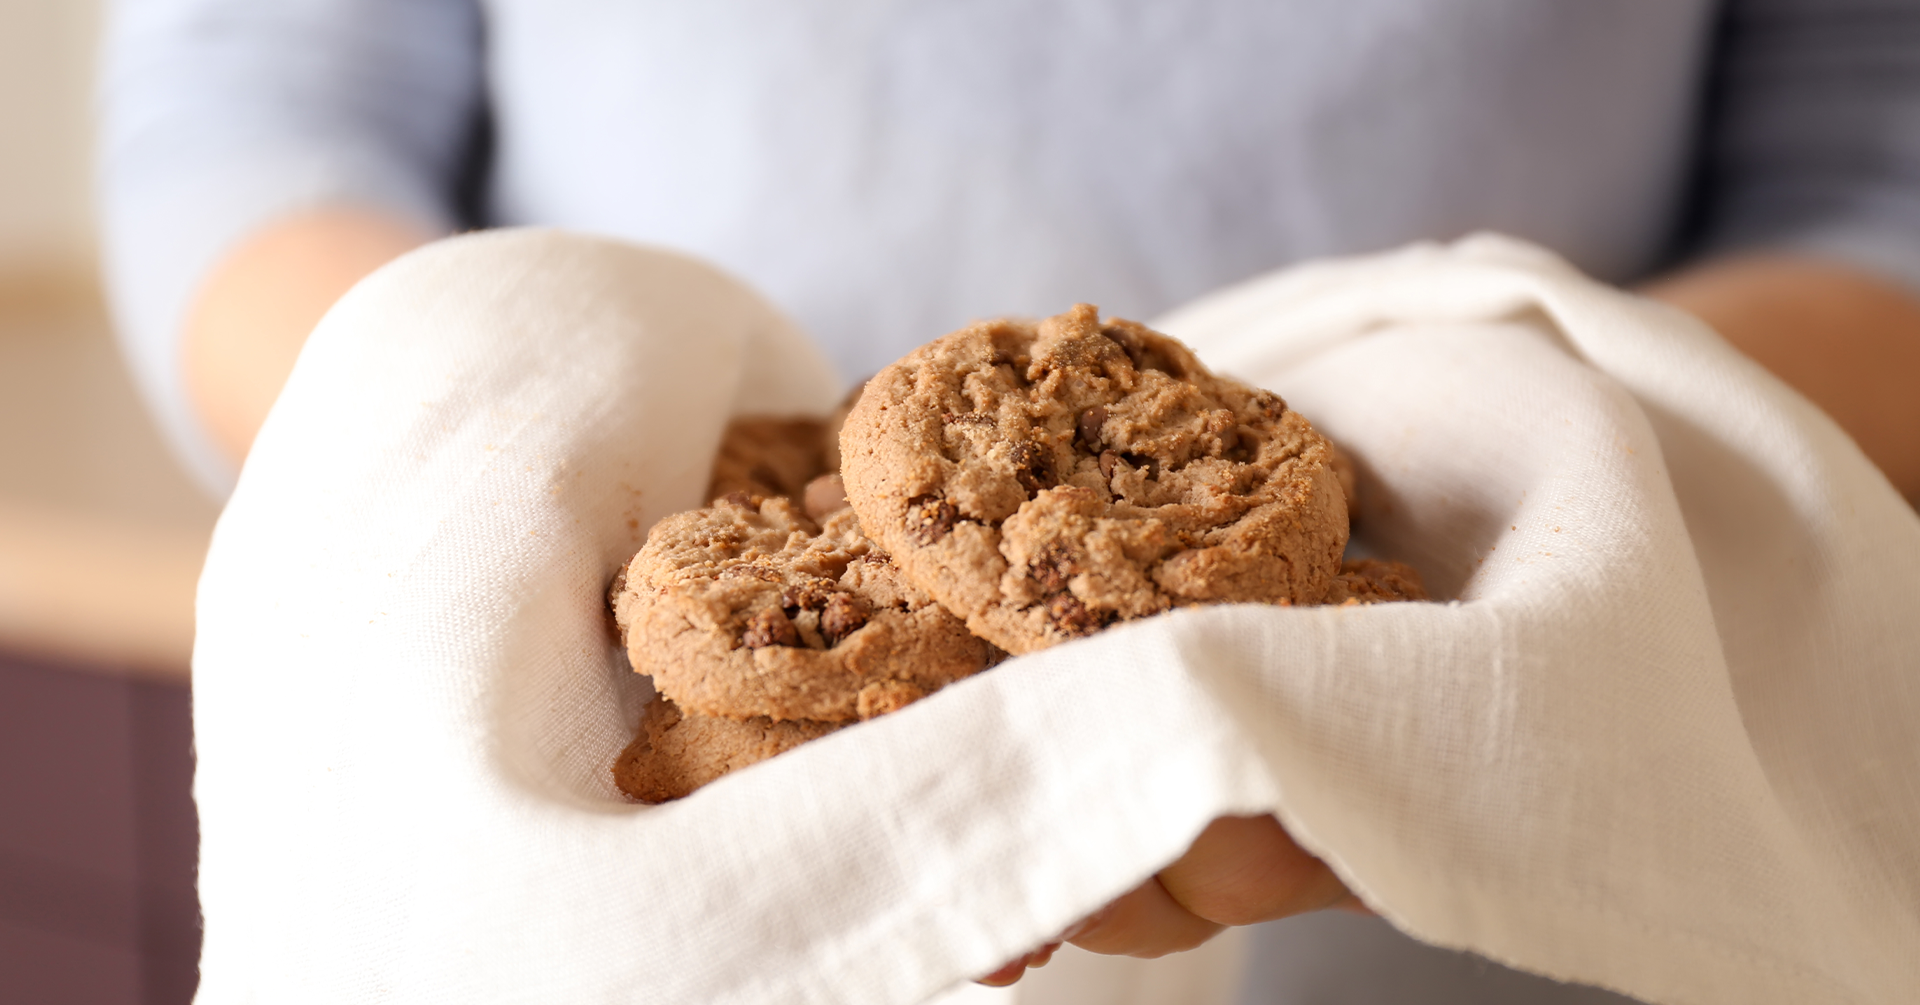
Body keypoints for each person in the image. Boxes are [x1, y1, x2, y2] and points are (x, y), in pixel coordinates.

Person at [96, 0, 1920, 999]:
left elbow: (1877, 181)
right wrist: (488, 472)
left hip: (1527, 895)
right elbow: (246, 117)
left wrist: (1532, 462)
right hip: (655, 864)